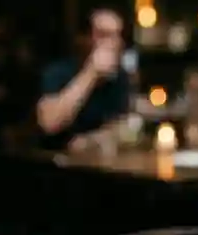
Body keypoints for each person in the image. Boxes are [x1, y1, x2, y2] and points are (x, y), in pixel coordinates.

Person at [36, 8, 130, 150]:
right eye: (104, 35)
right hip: (53, 163)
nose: (113, 43)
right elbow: (49, 123)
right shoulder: (58, 72)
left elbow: (121, 126)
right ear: (83, 39)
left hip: (96, 164)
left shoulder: (120, 77)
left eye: (117, 35)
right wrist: (91, 73)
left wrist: (89, 141)